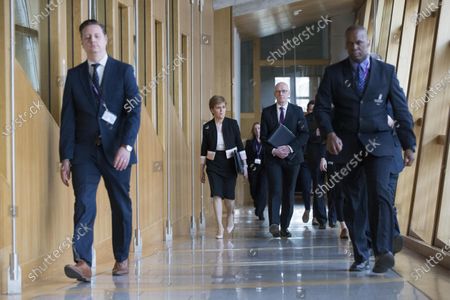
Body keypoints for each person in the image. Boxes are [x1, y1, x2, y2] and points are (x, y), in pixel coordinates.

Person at [315, 25, 416, 273]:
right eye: (350, 44)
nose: (354, 47)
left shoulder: (386, 72)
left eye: (359, 43)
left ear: (367, 43)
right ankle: (360, 255)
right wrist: (330, 133)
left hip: (379, 144)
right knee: (353, 201)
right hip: (347, 146)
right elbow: (322, 108)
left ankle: (383, 251)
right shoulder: (334, 73)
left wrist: (408, 144)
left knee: (380, 195)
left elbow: (402, 111)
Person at [59, 19, 141, 281]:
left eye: (96, 36)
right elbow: (68, 118)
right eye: (86, 37)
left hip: (117, 151)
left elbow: (134, 112)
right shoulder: (74, 76)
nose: (92, 41)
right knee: (84, 203)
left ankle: (121, 258)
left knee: (120, 204)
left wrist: (126, 146)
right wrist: (66, 157)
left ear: (106, 39)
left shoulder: (124, 71)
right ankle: (83, 261)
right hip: (84, 152)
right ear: (82, 43)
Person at [260, 82, 309, 238]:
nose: (281, 94)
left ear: (289, 93)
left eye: (284, 91)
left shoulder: (297, 111)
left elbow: (304, 134)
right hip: (274, 158)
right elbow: (263, 137)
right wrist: (274, 150)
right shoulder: (267, 112)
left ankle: (284, 226)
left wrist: (289, 148)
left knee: (288, 192)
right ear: (275, 94)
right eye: (278, 91)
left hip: (293, 159)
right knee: (275, 189)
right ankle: (274, 224)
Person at [200, 95, 247, 239]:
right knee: (216, 194)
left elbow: (239, 145)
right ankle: (219, 226)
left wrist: (244, 165)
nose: (221, 110)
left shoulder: (232, 124)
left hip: (230, 162)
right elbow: (203, 148)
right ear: (212, 110)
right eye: (218, 108)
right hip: (214, 163)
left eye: (223, 107)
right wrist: (201, 170)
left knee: (229, 197)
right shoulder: (207, 126)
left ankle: (231, 214)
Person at [302, 100, 327, 229]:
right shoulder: (304, 119)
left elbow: (324, 140)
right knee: (306, 187)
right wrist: (314, 134)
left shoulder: (323, 121)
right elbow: (304, 136)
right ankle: (307, 208)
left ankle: (320, 218)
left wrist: (323, 158)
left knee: (318, 189)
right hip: (305, 159)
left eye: (314, 110)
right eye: (310, 110)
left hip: (318, 159)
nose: (312, 112)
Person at [245, 122, 267, 221]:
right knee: (254, 189)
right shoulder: (249, 143)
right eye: (256, 129)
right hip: (253, 168)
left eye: (259, 128)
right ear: (253, 131)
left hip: (263, 168)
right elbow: (246, 156)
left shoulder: (266, 142)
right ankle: (256, 203)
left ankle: (260, 211)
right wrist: (247, 166)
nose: (258, 130)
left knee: (262, 190)